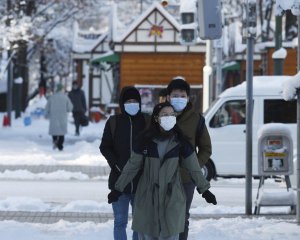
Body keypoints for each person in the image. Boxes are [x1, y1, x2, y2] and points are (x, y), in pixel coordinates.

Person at [109, 102, 217, 240]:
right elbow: (132, 166)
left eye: (172, 115)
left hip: (172, 198)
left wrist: (205, 190)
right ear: (156, 118)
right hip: (147, 197)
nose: (169, 117)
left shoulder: (181, 143)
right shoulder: (144, 141)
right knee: (147, 234)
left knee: (170, 233)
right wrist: (118, 188)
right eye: (165, 115)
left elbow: (194, 168)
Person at [100, 86, 149, 240]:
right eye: (128, 101)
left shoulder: (147, 121)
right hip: (119, 180)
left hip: (141, 182)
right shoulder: (114, 122)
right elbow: (105, 146)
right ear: (122, 103)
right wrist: (115, 164)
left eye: (135, 100)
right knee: (120, 222)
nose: (132, 103)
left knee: (139, 223)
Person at [166, 76, 212, 240]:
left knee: (182, 217)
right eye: (175, 95)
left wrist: (193, 166)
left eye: (182, 95)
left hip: (186, 179)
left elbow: (206, 148)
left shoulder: (197, 120)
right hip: (161, 178)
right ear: (168, 97)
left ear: (188, 98)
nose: (179, 99)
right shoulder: (158, 117)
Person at [45, 83, 73, 151]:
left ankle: (55, 141)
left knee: (54, 130)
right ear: (62, 89)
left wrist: (48, 113)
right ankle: (60, 144)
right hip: (62, 116)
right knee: (61, 131)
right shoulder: (65, 97)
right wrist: (67, 110)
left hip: (54, 116)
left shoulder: (52, 97)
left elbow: (46, 107)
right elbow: (70, 108)